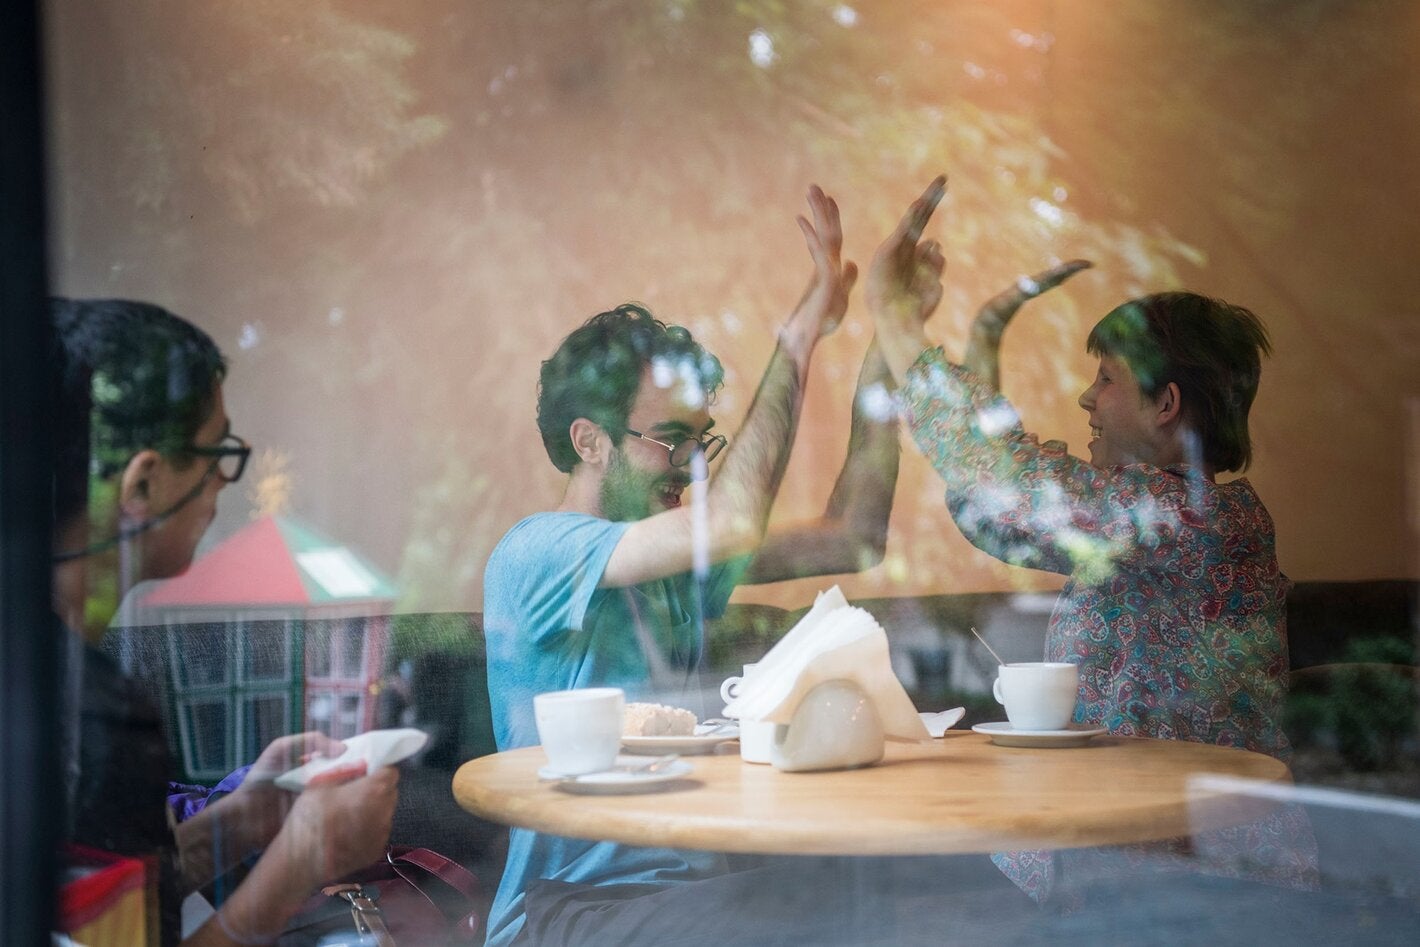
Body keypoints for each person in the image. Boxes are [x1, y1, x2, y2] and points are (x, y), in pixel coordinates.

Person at [864, 176, 1317, 903]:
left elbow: (1009, 487)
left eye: (1106, 377)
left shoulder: (1198, 521)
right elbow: (996, 508)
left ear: (1165, 405)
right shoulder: (1155, 517)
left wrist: (895, 320)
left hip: (1201, 894)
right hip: (1118, 871)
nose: (1086, 398)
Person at [482, 185, 904, 945]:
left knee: (891, 887)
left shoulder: (674, 559)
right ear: (589, 440)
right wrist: (799, 338)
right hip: (563, 915)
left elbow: (854, 538)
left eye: (698, 441)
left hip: (683, 901)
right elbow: (733, 517)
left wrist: (889, 344)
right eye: (670, 438)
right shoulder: (535, 553)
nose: (689, 466)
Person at [51, 298, 400, 945]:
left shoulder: (60, 675)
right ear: (143, 484)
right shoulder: (78, 722)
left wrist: (241, 818)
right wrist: (301, 860)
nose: (221, 481)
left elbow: (91, 908)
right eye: (215, 454)